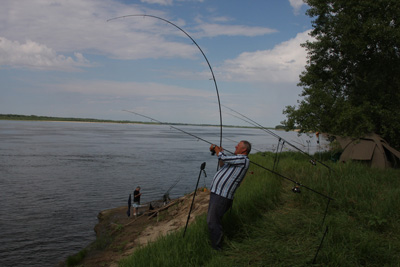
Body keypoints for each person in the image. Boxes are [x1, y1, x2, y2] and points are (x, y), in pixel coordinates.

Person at [207, 140, 251, 250]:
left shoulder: (243, 159)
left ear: (244, 149)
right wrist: (219, 153)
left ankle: (217, 248)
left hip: (222, 196)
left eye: (238, 145)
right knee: (213, 220)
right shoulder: (237, 159)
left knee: (212, 222)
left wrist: (217, 149)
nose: (235, 146)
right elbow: (223, 163)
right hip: (216, 193)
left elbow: (224, 158)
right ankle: (216, 245)